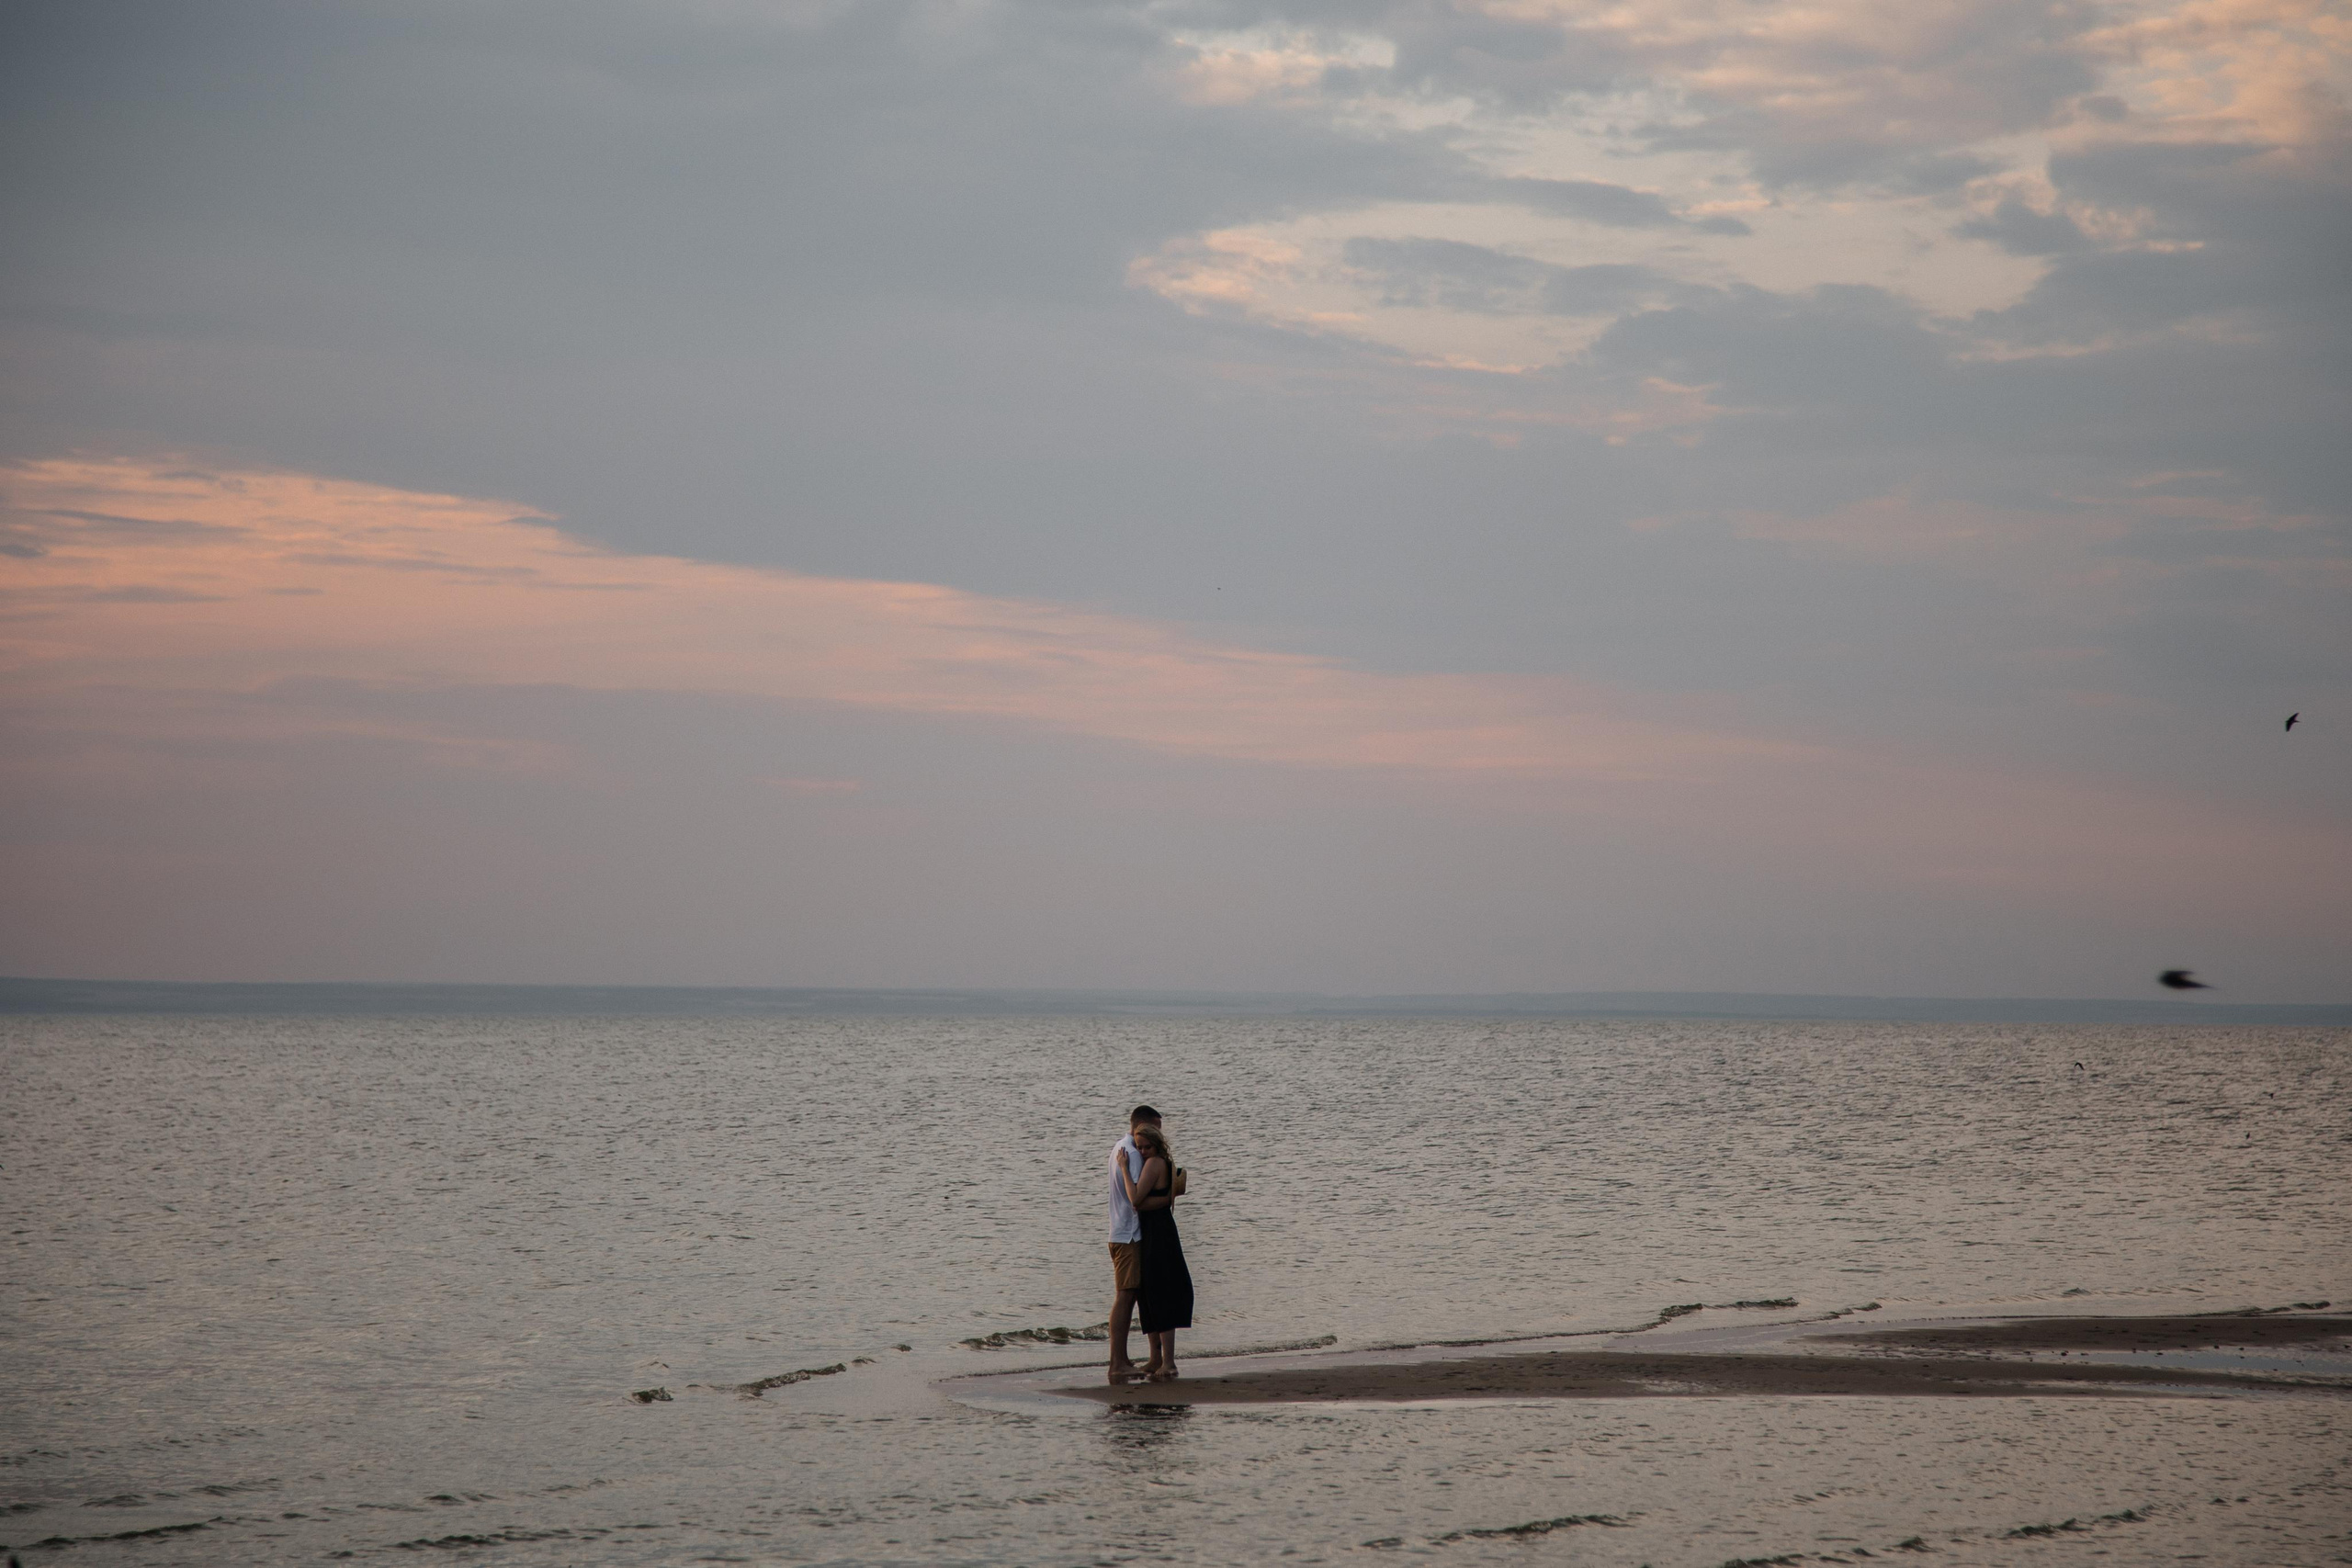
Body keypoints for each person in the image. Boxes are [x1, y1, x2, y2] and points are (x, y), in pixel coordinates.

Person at [1119, 1118, 1193, 1382]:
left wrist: (1125, 1169)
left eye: (1146, 1147)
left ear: (1157, 1145)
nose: (1141, 1152)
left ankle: (1168, 1362)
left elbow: (1136, 1198)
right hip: (1154, 1230)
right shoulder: (1159, 1162)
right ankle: (1156, 1358)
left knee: (1161, 1293)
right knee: (1150, 1292)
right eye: (1138, 1147)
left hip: (1159, 1234)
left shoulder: (1155, 1163)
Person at [1104, 1104, 1159, 1383]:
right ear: (1142, 1127)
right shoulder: (1133, 1154)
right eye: (1155, 1129)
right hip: (1128, 1234)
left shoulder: (1119, 1147)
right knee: (1125, 1296)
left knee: (1129, 1295)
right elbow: (1136, 1198)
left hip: (1119, 1231)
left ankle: (1122, 1359)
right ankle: (1116, 1363)